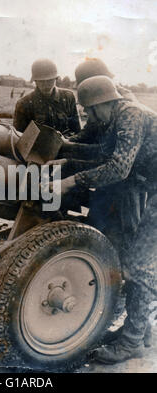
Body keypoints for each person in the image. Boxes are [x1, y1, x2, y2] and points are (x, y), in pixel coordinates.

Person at [57, 75, 157, 364]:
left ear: (102, 103)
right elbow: (101, 153)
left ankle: (132, 343)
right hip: (150, 184)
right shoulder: (116, 117)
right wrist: (67, 155)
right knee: (136, 260)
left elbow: (119, 167)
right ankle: (140, 331)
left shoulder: (130, 114)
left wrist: (72, 181)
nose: (88, 116)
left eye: (89, 110)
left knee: (139, 264)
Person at [13, 58, 81, 136]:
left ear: (56, 79)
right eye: (41, 81)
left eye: (49, 80)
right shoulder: (24, 104)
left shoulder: (68, 97)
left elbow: (77, 131)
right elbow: (18, 137)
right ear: (35, 81)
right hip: (37, 147)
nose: (45, 85)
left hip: (66, 145)